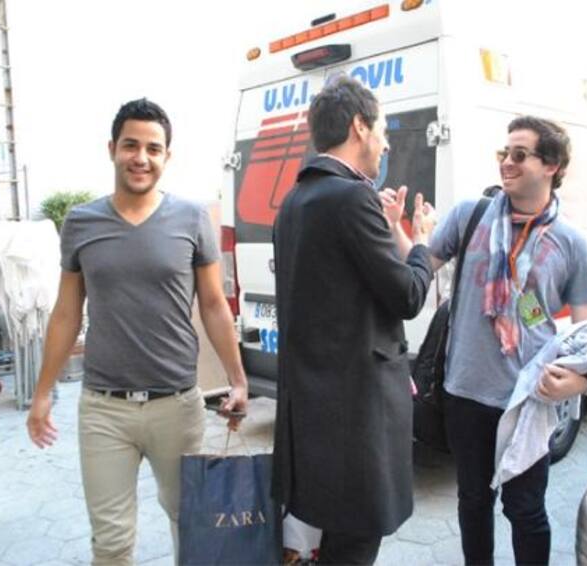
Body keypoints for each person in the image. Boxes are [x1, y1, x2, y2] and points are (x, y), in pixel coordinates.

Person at [26, 98, 248, 566]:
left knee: (191, 527)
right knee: (110, 544)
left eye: (153, 148)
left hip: (178, 406)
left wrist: (238, 379)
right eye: (131, 145)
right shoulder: (81, 222)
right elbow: (66, 313)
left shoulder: (191, 218)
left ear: (167, 156)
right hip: (104, 409)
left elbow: (213, 304)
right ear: (112, 149)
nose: (141, 158)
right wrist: (42, 393)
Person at [383, 116, 587, 565]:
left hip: (526, 402)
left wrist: (580, 381)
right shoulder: (471, 215)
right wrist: (398, 229)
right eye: (504, 153)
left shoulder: (571, 242)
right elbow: (420, 267)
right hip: (464, 394)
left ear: (552, 165)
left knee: (526, 511)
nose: (507, 162)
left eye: (520, 155)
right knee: (473, 501)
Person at [271, 75, 436, 565]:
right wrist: (420, 242)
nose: (386, 143)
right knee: (353, 549)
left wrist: (382, 229)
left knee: (335, 547)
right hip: (356, 425)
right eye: (382, 130)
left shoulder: (295, 201)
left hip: (315, 419)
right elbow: (408, 295)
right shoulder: (351, 198)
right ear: (360, 126)